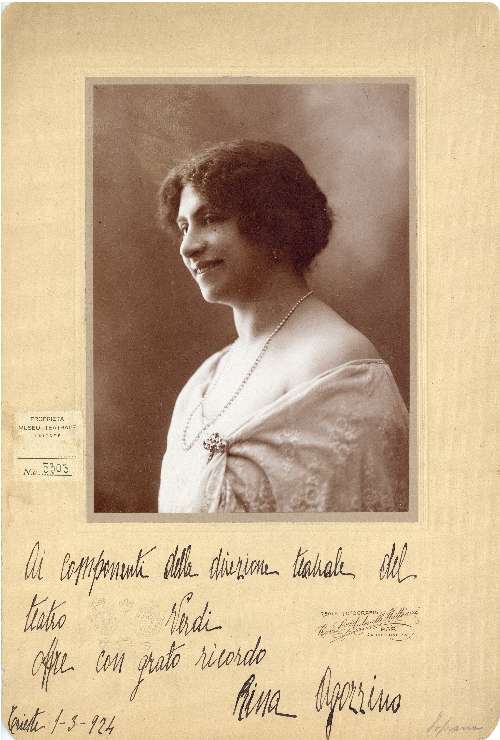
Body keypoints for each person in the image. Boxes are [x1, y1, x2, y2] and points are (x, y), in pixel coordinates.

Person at [157, 140, 408, 513]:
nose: (187, 246)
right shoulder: (205, 380)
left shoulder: (336, 363)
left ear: (271, 224)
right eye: (183, 227)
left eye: (209, 219)